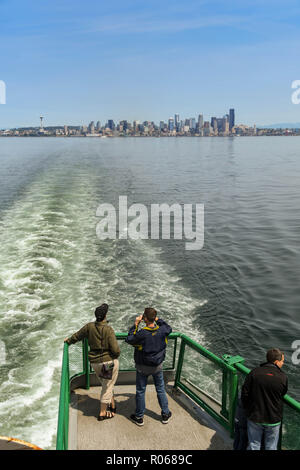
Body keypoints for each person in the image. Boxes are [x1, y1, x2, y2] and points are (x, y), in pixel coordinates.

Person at [64, 303, 120, 421]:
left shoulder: (89, 327)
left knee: (106, 384)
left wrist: (68, 341)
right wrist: (115, 356)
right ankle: (102, 413)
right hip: (107, 363)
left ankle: (113, 405)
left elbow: (77, 336)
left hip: (95, 363)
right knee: (107, 386)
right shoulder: (108, 330)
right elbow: (115, 350)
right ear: (105, 315)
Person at [125, 307, 172, 426]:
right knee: (160, 388)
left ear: (144, 319)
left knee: (141, 391)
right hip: (157, 366)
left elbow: (130, 339)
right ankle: (165, 414)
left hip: (143, 367)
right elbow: (168, 328)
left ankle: (139, 416)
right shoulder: (162, 330)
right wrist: (158, 319)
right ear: (154, 318)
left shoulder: (143, 334)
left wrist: (135, 324)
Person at [241, 348, 288, 450]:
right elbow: (283, 393)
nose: (283, 363)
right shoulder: (283, 377)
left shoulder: (254, 372)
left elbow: (244, 392)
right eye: (282, 361)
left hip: (255, 416)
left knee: (254, 445)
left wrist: (247, 408)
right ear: (276, 362)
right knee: (271, 447)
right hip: (273, 419)